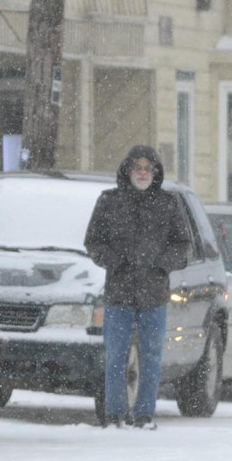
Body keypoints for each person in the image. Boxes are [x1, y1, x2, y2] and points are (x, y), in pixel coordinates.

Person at [84, 146, 191, 429]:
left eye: (147, 168)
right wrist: (114, 261)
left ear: (155, 173)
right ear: (127, 170)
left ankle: (144, 415)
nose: (142, 173)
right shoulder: (110, 201)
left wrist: (161, 264)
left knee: (151, 357)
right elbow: (94, 242)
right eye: (137, 168)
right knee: (116, 356)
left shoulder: (168, 203)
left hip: (154, 294)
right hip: (119, 293)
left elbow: (183, 246)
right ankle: (115, 414)